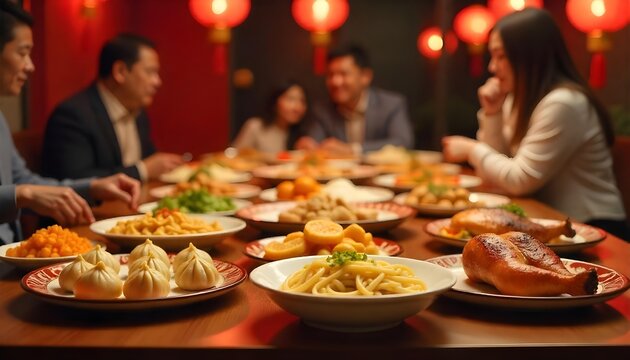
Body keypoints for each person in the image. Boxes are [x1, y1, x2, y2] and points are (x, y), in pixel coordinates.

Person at [441, 8, 627, 238]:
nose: (492, 67)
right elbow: (498, 174)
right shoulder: (519, 98)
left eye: (500, 56)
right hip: (551, 221)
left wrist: (471, 150)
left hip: (594, 228)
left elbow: (518, 180)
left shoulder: (564, 103)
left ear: (529, 56)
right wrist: (493, 113)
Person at [0, 0, 140, 244]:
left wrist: (94, 187)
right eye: (22, 53)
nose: (30, 66)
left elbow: (23, 181)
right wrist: (22, 194)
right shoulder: (74, 113)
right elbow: (23, 190)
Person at [41, 33, 183, 182]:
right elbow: (76, 179)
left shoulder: (137, 111)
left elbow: (150, 159)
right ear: (120, 72)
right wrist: (142, 170)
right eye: (150, 72)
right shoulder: (73, 115)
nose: (157, 82)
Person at [296, 45, 414, 156]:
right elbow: (316, 144)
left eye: (344, 74)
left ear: (365, 77)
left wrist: (353, 149)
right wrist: (310, 146)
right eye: (330, 75)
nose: (335, 82)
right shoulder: (322, 110)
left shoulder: (390, 105)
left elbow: (403, 142)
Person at [232, 80, 308, 153]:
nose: (298, 107)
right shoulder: (255, 127)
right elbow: (234, 159)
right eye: (291, 99)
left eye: (302, 101)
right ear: (275, 102)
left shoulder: (300, 135)